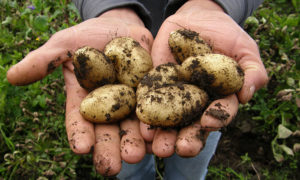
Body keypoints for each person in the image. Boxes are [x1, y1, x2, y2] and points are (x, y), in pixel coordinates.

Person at [6, 0, 268, 179]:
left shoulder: (187, 71)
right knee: (128, 157)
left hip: (204, 63)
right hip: (127, 39)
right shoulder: (134, 83)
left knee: (194, 149)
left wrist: (211, 4)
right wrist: (111, 8)